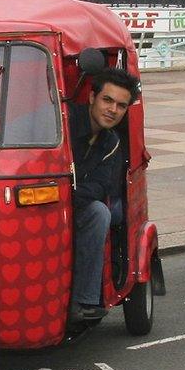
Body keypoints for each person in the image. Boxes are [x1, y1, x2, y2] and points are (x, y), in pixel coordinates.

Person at [67, 67, 140, 322]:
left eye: (121, 105)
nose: (112, 110)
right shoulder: (64, 122)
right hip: (42, 198)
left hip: (73, 203)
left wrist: (70, 197)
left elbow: (101, 186)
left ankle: (83, 301)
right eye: (107, 100)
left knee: (100, 212)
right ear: (91, 98)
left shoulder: (111, 142)